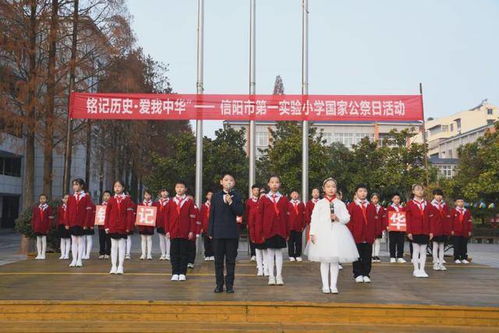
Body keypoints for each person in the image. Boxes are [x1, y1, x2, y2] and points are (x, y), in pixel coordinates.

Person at [306, 178, 358, 294]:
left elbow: (347, 218)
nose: (331, 189)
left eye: (333, 187)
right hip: (322, 233)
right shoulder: (319, 203)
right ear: (324, 189)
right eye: (328, 187)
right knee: (324, 260)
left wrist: (338, 218)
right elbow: (314, 219)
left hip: (337, 233)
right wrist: (312, 233)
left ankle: (333, 285)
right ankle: (325, 285)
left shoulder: (340, 203)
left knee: (334, 260)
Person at [208, 173, 244, 293]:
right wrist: (210, 231)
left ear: (234, 183)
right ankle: (219, 285)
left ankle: (229, 285)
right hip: (218, 233)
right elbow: (212, 214)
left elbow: (239, 212)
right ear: (221, 182)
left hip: (231, 233)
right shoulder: (216, 196)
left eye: (231, 180)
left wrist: (231, 202)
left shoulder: (237, 196)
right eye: (226, 180)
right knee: (218, 261)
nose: (228, 182)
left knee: (230, 260)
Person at [256, 175, 289, 286]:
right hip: (268, 230)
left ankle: (279, 276)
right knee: (270, 253)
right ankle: (271, 276)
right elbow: (260, 215)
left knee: (279, 253)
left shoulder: (284, 199)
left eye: (277, 182)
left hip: (280, 229)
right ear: (268, 184)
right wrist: (260, 231)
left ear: (279, 184)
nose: (274, 184)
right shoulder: (264, 199)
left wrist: (287, 231)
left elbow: (287, 216)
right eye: (272, 182)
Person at [166, 181, 196, 281]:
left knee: (184, 252)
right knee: (174, 252)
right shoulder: (171, 201)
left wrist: (191, 230)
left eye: (181, 187)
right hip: (173, 230)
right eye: (177, 187)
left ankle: (182, 272)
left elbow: (192, 217)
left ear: (185, 189)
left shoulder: (189, 201)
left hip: (185, 231)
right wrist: (167, 230)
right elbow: (167, 218)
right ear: (175, 189)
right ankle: (175, 272)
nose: (179, 189)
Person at [347, 184, 377, 283]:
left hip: (368, 235)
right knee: (357, 256)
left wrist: (373, 234)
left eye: (364, 191)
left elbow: (374, 222)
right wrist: (350, 234)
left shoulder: (371, 206)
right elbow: (349, 222)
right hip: (356, 235)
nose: (362, 193)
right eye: (360, 191)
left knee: (367, 255)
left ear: (367, 193)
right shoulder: (352, 206)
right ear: (356, 193)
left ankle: (366, 273)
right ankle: (357, 273)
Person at [104, 180, 135, 274]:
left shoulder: (127, 200)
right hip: (112, 226)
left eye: (119, 186)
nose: (117, 188)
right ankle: (113, 266)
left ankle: (120, 266)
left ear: (123, 188)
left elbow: (130, 215)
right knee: (113, 247)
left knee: (121, 247)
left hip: (123, 227)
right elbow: (107, 214)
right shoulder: (111, 199)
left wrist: (129, 226)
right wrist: (106, 226)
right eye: (115, 186)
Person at [65, 178, 93, 267]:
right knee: (73, 241)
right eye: (73, 185)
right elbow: (67, 211)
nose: (74, 186)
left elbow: (88, 212)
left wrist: (86, 223)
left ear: (81, 186)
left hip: (81, 223)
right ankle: (74, 259)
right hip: (72, 222)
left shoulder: (86, 197)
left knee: (81, 241)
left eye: (76, 184)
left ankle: (79, 260)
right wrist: (67, 223)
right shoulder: (71, 197)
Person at [406, 184, 431, 278]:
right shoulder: (410, 204)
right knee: (416, 250)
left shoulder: (427, 204)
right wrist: (409, 231)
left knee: (424, 250)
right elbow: (407, 219)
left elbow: (430, 218)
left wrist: (431, 231)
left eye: (421, 189)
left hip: (425, 230)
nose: (420, 191)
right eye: (417, 189)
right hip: (414, 230)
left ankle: (422, 269)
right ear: (413, 191)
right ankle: (416, 269)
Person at [245, 185, 267, 276]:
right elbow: (246, 212)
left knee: (263, 245)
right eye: (255, 190)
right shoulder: (249, 201)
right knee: (253, 240)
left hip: (262, 227)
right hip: (253, 225)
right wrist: (247, 223)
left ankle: (265, 266)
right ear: (252, 191)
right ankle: (253, 255)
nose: (256, 192)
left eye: (258, 190)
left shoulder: (262, 201)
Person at [429, 189, 452, 271]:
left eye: (440, 195)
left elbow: (448, 218)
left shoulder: (445, 206)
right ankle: (435, 263)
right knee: (435, 246)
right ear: (434, 196)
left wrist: (448, 230)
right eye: (437, 195)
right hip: (435, 229)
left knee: (442, 247)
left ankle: (441, 263)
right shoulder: (430, 205)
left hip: (443, 229)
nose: (439, 196)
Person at [386, 193, 406, 263]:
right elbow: (387, 218)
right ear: (392, 199)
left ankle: (400, 256)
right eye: (395, 199)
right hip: (392, 228)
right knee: (392, 242)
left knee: (401, 242)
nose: (397, 200)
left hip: (401, 228)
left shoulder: (402, 208)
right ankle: (392, 256)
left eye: (398, 199)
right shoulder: (390, 208)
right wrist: (387, 225)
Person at [32, 194, 53, 260]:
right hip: (37, 227)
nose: (42, 200)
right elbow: (34, 218)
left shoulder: (48, 208)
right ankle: (39, 254)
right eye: (41, 198)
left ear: (46, 199)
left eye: (44, 198)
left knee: (43, 240)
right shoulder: (36, 208)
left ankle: (43, 254)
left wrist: (49, 226)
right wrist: (34, 225)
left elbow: (50, 218)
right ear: (39, 199)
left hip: (44, 227)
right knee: (38, 240)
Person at [451, 198, 473, 264]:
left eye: (462, 201)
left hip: (465, 231)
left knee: (464, 245)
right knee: (456, 245)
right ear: (456, 203)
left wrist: (469, 230)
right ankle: (456, 258)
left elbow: (469, 222)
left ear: (463, 203)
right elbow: (451, 221)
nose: (460, 203)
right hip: (456, 231)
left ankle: (463, 258)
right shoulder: (453, 211)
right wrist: (451, 230)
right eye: (458, 202)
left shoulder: (467, 211)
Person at [287, 190, 306, 262]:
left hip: (299, 226)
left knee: (298, 242)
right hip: (290, 227)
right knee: (290, 242)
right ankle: (291, 255)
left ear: (298, 195)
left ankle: (298, 255)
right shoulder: (288, 204)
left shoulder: (301, 204)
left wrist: (303, 226)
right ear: (290, 195)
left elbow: (304, 216)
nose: (294, 195)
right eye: (293, 193)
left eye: (296, 193)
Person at [138, 190, 155, 260]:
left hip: (150, 225)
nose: (147, 196)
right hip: (142, 224)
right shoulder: (141, 204)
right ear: (144, 196)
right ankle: (143, 254)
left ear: (151, 196)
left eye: (148, 195)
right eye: (146, 195)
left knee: (149, 239)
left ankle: (149, 254)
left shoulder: (153, 204)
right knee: (143, 239)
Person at [187, 194, 202, 269]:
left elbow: (198, 221)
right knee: (184, 247)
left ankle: (191, 261)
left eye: (191, 198)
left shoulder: (195, 208)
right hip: (185, 230)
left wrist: (197, 232)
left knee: (192, 247)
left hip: (193, 231)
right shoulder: (184, 206)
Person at [154, 189, 170, 260]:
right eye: (162, 192)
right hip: (160, 223)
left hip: (168, 223)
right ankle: (163, 254)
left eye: (165, 191)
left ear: (168, 193)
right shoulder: (157, 203)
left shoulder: (170, 202)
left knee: (168, 239)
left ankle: (168, 254)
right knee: (161, 239)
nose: (164, 193)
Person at [371, 193, 385, 263]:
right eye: (374, 198)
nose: (375, 200)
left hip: (378, 227)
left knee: (377, 242)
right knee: (372, 242)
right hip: (371, 228)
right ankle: (372, 255)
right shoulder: (369, 207)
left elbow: (383, 219)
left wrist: (383, 229)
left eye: (376, 198)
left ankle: (376, 255)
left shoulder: (381, 208)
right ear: (371, 199)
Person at [201, 190, 214, 261]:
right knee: (206, 242)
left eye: (211, 195)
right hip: (205, 226)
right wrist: (201, 227)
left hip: (213, 226)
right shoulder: (203, 206)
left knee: (213, 241)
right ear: (206, 196)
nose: (210, 196)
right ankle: (207, 254)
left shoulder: (215, 205)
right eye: (209, 194)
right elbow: (201, 216)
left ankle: (212, 254)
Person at [98, 191, 111, 259]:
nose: (106, 197)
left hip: (109, 225)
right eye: (105, 195)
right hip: (101, 225)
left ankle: (108, 252)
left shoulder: (112, 205)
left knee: (108, 239)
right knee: (101, 239)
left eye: (108, 195)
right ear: (102, 197)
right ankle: (101, 252)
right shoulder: (100, 206)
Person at [82, 192, 95, 260]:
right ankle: (83, 253)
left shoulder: (92, 205)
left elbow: (93, 216)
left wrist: (92, 224)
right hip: (83, 224)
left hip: (89, 225)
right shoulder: (82, 204)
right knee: (83, 239)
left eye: (88, 195)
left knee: (89, 239)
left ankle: (87, 254)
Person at [57, 194, 71, 260]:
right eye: (65, 198)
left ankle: (67, 254)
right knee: (62, 240)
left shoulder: (71, 207)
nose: (66, 200)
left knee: (68, 240)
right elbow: (59, 216)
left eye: (68, 198)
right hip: (61, 225)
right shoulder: (60, 207)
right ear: (62, 199)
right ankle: (62, 254)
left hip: (68, 225)